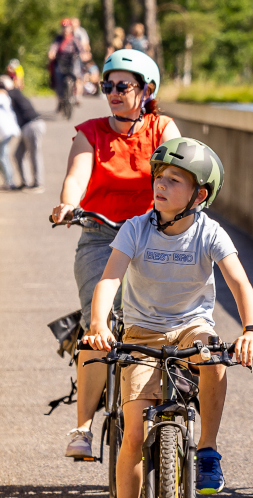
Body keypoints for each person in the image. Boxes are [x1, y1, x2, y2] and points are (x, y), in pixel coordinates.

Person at [83, 137, 253, 498]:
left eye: (173, 181)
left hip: (190, 326)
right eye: (158, 178)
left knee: (211, 353)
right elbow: (109, 279)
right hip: (142, 332)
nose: (160, 187)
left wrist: (252, 329)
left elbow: (240, 283)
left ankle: (207, 449)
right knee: (133, 431)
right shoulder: (136, 228)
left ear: (199, 195)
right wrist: (100, 323)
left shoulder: (209, 232)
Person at [50, 47, 181, 463]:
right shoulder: (91, 131)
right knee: (98, 323)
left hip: (152, 237)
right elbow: (77, 175)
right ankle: (84, 428)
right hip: (100, 236)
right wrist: (67, 204)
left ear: (147, 90)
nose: (113, 93)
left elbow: (180, 171)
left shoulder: (163, 128)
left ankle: (172, 411)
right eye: (107, 86)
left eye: (123, 86)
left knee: (169, 323)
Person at [8, 71, 46, 190]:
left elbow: (1, 94)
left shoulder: (13, 92)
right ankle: (24, 183)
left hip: (32, 125)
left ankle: (38, 184)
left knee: (34, 154)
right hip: (28, 127)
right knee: (18, 155)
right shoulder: (13, 94)